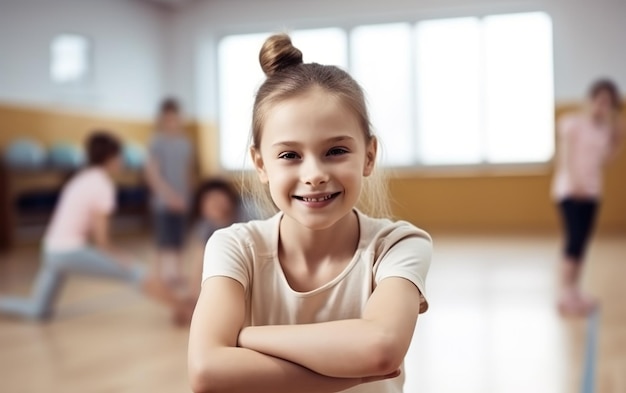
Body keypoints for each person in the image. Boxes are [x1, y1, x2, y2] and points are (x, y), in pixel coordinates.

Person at [188, 34, 432, 393]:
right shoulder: (234, 246)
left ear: (368, 155)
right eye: (289, 155)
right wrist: (348, 367)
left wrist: (247, 337)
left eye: (335, 150)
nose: (314, 174)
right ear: (261, 164)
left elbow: (380, 349)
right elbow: (206, 372)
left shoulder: (398, 245)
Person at [0, 131, 184, 321]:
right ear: (110, 158)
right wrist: (124, 259)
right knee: (137, 271)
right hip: (67, 252)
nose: (122, 161)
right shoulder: (102, 186)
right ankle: (182, 307)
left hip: (51, 250)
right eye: (119, 156)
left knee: (37, 310)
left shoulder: (81, 179)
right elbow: (102, 241)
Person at [552, 79, 624, 316]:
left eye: (608, 103)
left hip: (593, 191)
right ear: (591, 99)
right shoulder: (571, 123)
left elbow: (605, 160)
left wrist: (618, 138)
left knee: (582, 243)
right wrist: (576, 184)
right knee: (573, 241)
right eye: (600, 100)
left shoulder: (604, 130)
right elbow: (565, 156)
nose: (602, 106)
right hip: (570, 191)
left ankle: (575, 290)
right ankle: (565, 293)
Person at [144, 98, 194, 287]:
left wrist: (186, 196)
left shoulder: (186, 143)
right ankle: (162, 276)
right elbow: (152, 173)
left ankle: (177, 273)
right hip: (163, 201)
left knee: (179, 238)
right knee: (164, 240)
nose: (172, 122)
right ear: (162, 119)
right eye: (168, 119)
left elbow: (187, 172)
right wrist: (169, 196)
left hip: (182, 200)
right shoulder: (156, 142)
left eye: (175, 118)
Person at [187, 177, 256, 299]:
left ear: (230, 198)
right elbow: (199, 261)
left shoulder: (249, 214)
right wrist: (193, 298)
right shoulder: (206, 226)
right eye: (208, 201)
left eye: (218, 198)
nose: (215, 204)